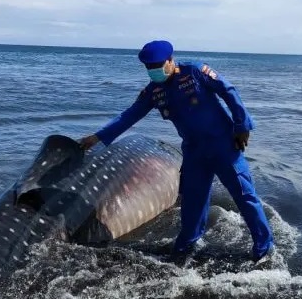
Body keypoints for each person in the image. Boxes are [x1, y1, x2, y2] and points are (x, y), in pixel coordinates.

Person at [78, 40, 274, 263]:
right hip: (194, 151)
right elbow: (129, 116)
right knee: (192, 201)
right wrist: (98, 137)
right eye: (149, 67)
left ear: (171, 60)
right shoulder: (154, 92)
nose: (154, 71)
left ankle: (264, 248)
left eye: (158, 65)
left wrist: (242, 126)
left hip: (223, 144)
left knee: (244, 195)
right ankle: (186, 246)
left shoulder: (195, 72)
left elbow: (228, 91)